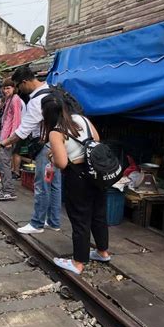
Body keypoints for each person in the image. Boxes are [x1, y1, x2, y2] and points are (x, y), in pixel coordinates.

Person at [40, 93, 110, 274]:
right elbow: (96, 140)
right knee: (98, 214)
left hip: (77, 177)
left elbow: (62, 163)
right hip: (96, 173)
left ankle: (78, 262)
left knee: (80, 218)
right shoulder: (82, 119)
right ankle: (103, 251)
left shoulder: (56, 131)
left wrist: (55, 155)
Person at [0, 66, 61, 233]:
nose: (19, 91)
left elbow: (22, 131)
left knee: (42, 184)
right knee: (55, 183)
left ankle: (37, 224)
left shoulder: (37, 101)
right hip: (57, 143)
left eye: (19, 87)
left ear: (25, 82)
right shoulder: (52, 91)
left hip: (44, 145)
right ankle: (54, 221)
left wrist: (2, 143)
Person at [0, 78, 23, 201]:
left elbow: (17, 120)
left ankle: (9, 191)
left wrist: (10, 140)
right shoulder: (9, 99)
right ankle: (5, 187)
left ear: (14, 88)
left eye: (8, 88)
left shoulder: (15, 100)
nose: (6, 90)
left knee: (4, 164)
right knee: (1, 163)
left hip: (8, 138)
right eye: (4, 88)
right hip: (4, 135)